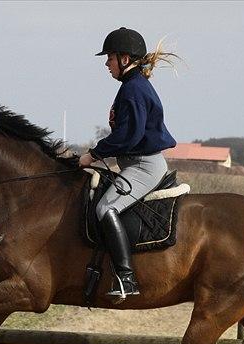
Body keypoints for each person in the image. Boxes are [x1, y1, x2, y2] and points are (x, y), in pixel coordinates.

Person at [78, 27, 179, 302]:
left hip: (144, 167)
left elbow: (128, 135)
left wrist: (94, 154)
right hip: (135, 164)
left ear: (124, 58)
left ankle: (126, 278)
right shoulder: (131, 86)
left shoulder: (134, 89)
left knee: (105, 207)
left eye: (110, 57)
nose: (106, 63)